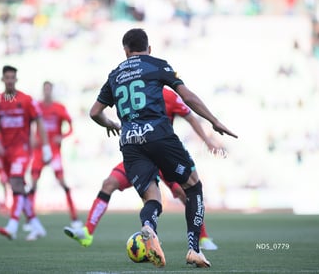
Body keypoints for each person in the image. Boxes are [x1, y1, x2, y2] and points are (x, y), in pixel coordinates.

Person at [88, 29, 237, 268]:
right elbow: (187, 97)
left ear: (125, 50)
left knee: (152, 198)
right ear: (149, 48)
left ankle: (148, 228)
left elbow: (94, 112)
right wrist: (214, 121)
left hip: (129, 142)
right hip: (158, 135)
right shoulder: (158, 65)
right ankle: (194, 250)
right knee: (193, 185)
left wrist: (112, 124)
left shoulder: (115, 74)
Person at [64, 87, 220, 250]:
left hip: (163, 156)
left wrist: (207, 141)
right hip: (139, 156)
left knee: (184, 192)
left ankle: (203, 237)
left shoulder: (169, 96)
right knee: (109, 183)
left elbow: (190, 117)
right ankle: (87, 232)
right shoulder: (132, 91)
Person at [0, 65, 53, 241]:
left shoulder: (26, 100)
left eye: (12, 78)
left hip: (22, 150)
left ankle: (13, 225)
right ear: (3, 79)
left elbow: (39, 123)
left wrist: (46, 147)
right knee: (17, 187)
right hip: (5, 151)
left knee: (16, 182)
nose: (10, 81)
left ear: (16, 79)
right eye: (7, 77)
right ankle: (36, 225)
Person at [28, 81, 81, 228]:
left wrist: (62, 136)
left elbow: (71, 127)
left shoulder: (59, 108)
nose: (47, 92)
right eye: (44, 89)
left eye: (49, 89)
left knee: (63, 183)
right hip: (39, 150)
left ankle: (75, 218)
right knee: (33, 183)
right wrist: (31, 136)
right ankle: (30, 220)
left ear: (52, 91)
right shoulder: (36, 106)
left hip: (54, 151)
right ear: (42, 90)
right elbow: (29, 123)